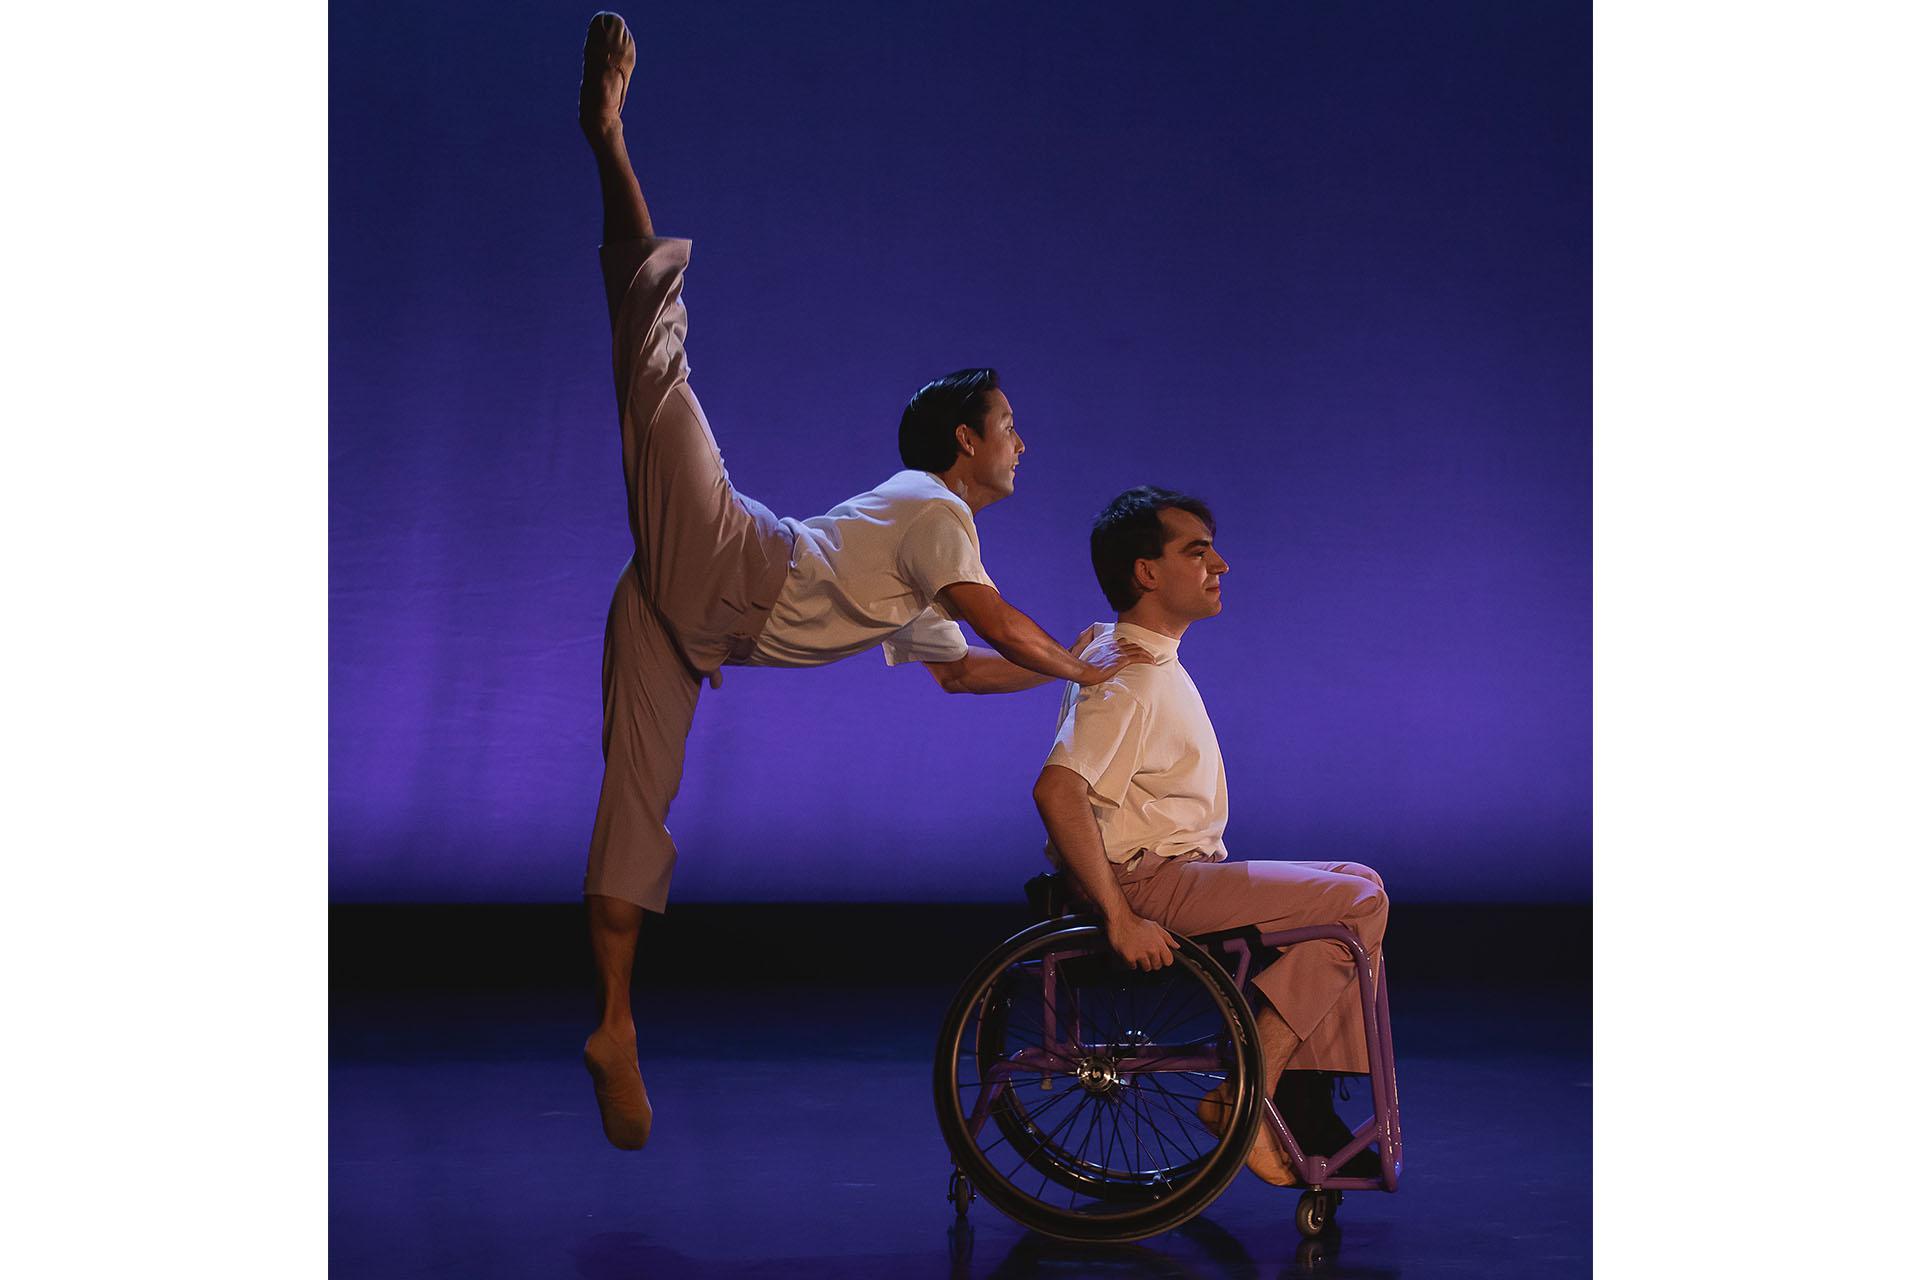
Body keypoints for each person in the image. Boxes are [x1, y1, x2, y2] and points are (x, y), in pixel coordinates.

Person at [574, 12, 1151, 1150]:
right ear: (962, 441)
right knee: (656, 356)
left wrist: (1056, 684)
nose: (1022, 443)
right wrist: (1079, 660)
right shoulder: (933, 512)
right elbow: (997, 619)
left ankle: (613, 1024)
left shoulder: (928, 560)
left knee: (635, 808)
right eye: (1010, 427)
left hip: (686, 624)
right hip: (730, 552)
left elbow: (963, 666)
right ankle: (607, 136)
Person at [1032, 485, 1390, 1186]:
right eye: (1197, 553)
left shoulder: (1130, 654)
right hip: (1151, 882)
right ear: (1147, 572)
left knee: (1358, 887)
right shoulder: (1129, 678)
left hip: (1179, 871)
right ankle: (1249, 1095)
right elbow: (1056, 790)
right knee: (1361, 904)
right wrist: (1119, 916)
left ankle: (1300, 1101)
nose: (1220, 565)